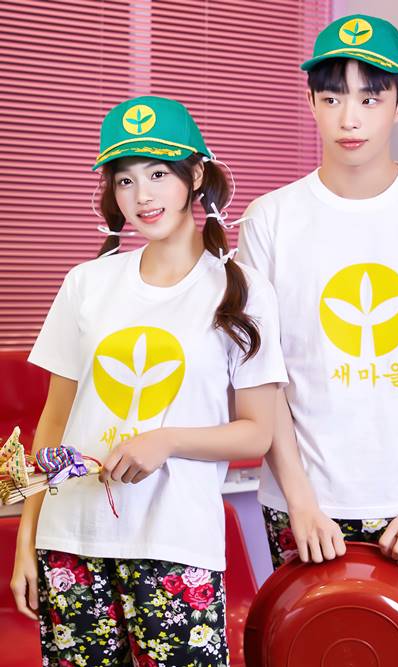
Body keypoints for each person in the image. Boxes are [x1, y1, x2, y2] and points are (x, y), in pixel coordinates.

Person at [238, 14, 398, 665]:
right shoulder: (270, 218)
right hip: (307, 509)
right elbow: (262, 377)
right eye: (331, 98)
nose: (349, 118)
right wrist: (300, 502)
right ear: (311, 103)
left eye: (369, 98)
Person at [11, 95, 287, 667]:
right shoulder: (86, 283)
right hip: (71, 541)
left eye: (158, 173)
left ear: (196, 177)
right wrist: (26, 539)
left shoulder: (241, 289)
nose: (142, 196)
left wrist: (167, 440)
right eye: (125, 180)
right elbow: (53, 423)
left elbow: (257, 433)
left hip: (175, 541)